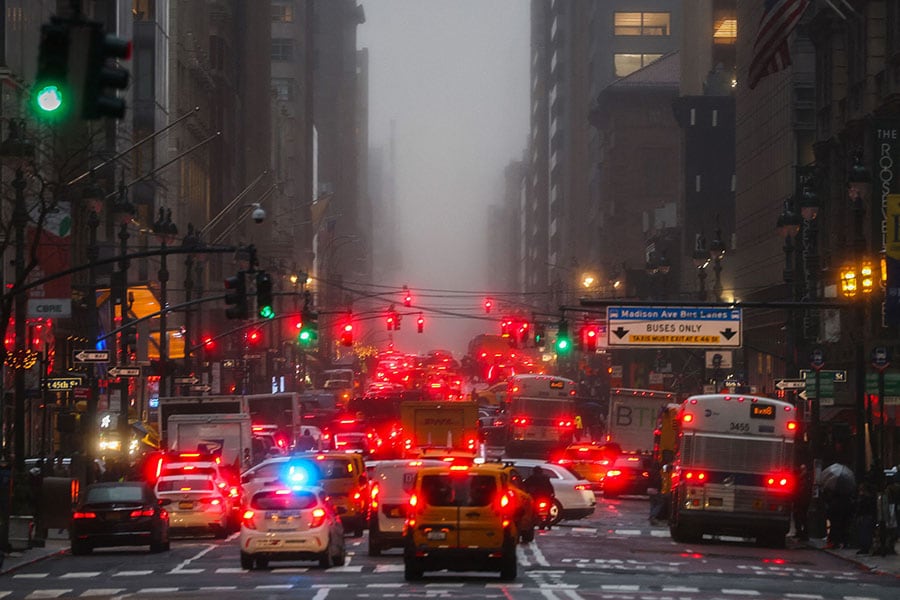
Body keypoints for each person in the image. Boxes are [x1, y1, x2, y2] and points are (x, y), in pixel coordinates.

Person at [792, 463, 812, 541]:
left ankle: (803, 534)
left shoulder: (804, 479)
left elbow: (802, 490)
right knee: (799, 517)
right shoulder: (803, 478)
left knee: (802, 517)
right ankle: (800, 533)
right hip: (800, 500)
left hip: (802, 501)